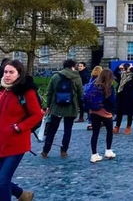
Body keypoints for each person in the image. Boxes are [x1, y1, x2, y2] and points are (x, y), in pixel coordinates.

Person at [0, 60, 43, 201]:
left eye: (11, 72)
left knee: (2, 180)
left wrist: (19, 127)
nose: (7, 75)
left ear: (19, 74)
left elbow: (37, 115)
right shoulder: (3, 89)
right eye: (5, 72)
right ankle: (22, 195)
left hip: (16, 143)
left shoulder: (26, 91)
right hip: (1, 142)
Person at [41, 59, 83, 158]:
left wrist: (48, 106)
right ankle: (64, 150)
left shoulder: (56, 76)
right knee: (67, 130)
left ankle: (45, 150)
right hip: (71, 107)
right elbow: (80, 93)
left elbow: (50, 92)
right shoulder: (76, 77)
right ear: (73, 66)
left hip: (56, 106)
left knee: (52, 130)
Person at [87, 69, 116, 163]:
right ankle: (108, 150)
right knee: (109, 132)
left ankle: (94, 154)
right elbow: (112, 100)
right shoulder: (109, 87)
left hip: (94, 111)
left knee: (95, 133)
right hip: (106, 112)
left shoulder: (94, 85)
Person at [113, 63, 133, 135]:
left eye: (125, 68)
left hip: (130, 96)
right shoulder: (121, 76)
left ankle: (128, 127)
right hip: (121, 95)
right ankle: (117, 126)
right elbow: (114, 73)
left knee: (129, 112)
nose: (124, 70)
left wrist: (132, 68)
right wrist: (118, 67)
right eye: (124, 69)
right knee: (119, 112)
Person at [86, 66, 103, 131]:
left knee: (91, 110)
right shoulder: (100, 78)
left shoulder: (91, 78)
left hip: (90, 96)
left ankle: (91, 123)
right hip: (98, 96)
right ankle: (99, 122)